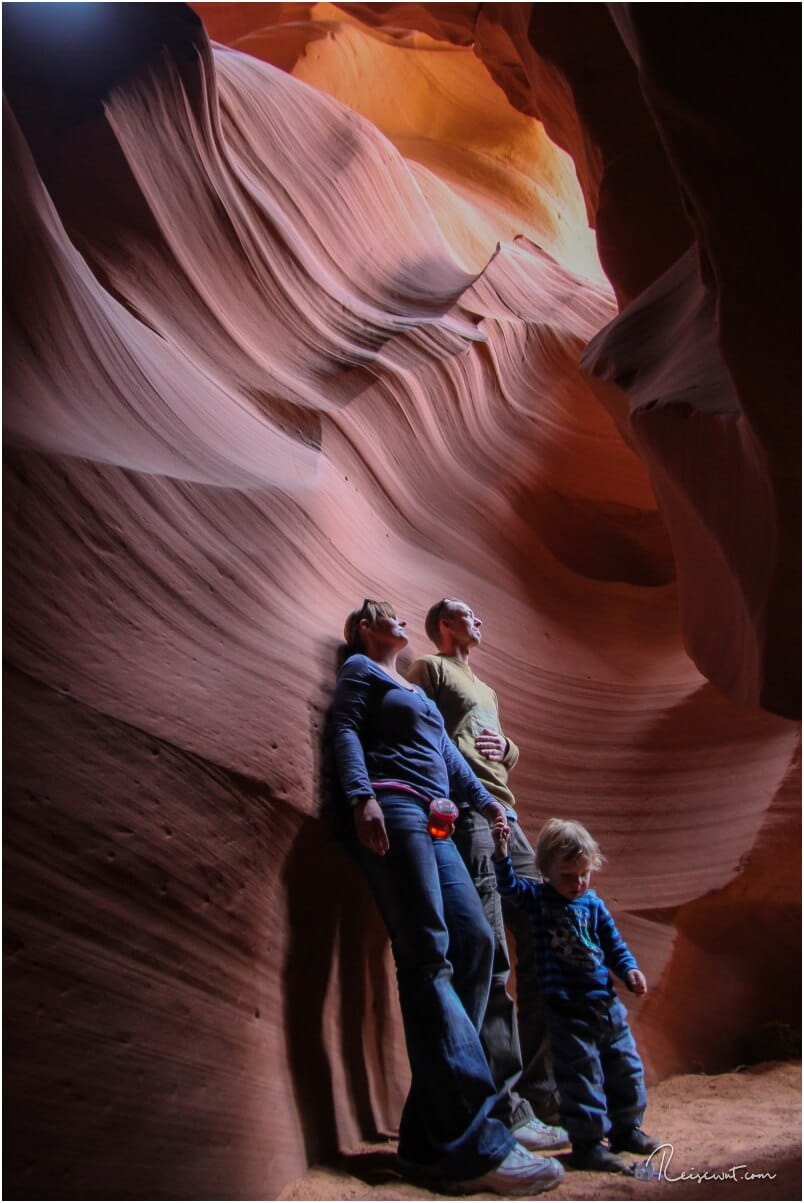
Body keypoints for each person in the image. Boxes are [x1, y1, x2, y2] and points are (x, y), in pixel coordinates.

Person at [331, 599, 564, 1195]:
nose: (398, 620)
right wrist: (361, 798)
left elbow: (447, 760)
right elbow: (345, 728)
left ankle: (425, 1138)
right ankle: (475, 1142)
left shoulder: (414, 695)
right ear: (364, 630)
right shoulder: (363, 671)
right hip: (395, 803)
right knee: (427, 953)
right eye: (385, 615)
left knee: (476, 941)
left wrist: (486, 801)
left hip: (438, 816)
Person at [406, 599, 564, 1148]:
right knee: (492, 951)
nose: (481, 621)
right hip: (470, 815)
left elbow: (498, 747)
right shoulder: (430, 668)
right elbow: (420, 729)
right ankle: (508, 1105)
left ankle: (543, 1090)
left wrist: (510, 748)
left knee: (549, 933)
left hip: (507, 813)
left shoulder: (487, 688)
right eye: (471, 615)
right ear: (446, 624)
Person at [491, 816, 661, 1172]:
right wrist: (502, 853)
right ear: (546, 871)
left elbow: (613, 944)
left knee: (625, 1066)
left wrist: (629, 970)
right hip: (567, 1009)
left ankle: (626, 1129)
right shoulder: (539, 900)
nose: (578, 883)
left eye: (584, 874)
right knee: (581, 1076)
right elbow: (508, 888)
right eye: (568, 876)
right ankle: (586, 1143)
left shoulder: (593, 904)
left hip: (605, 1003)